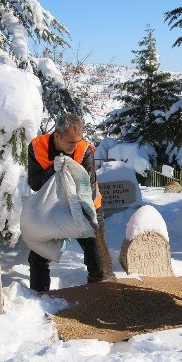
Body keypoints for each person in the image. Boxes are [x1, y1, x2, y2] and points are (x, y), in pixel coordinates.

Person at [26, 113, 105, 292]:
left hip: (86, 204)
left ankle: (98, 291)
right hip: (53, 207)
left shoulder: (84, 150)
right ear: (57, 136)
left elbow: (89, 188)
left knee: (94, 248)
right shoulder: (37, 148)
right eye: (70, 142)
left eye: (77, 141)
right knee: (40, 250)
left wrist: (84, 219)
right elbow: (35, 183)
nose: (74, 146)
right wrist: (51, 170)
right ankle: (39, 293)